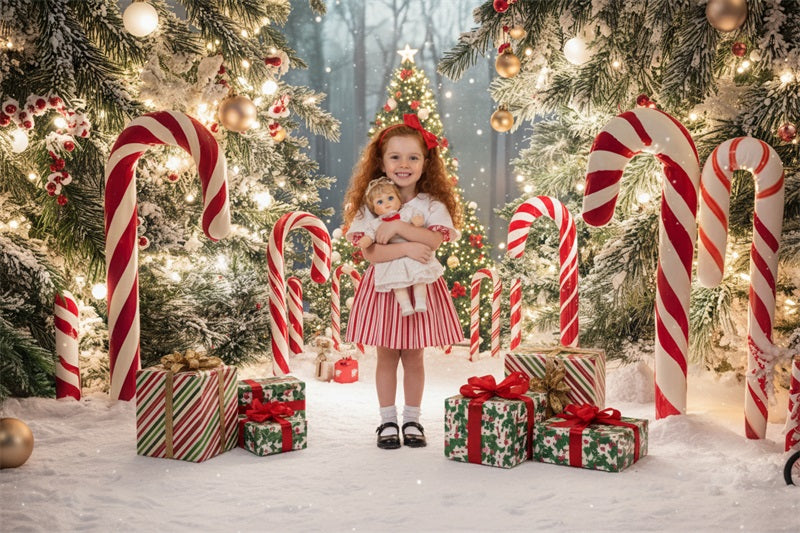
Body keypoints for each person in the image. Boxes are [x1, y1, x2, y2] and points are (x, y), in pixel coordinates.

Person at [343, 113, 464, 449]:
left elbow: (436, 242)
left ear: (426, 162)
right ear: (381, 162)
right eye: (395, 156)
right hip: (385, 289)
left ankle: (412, 419)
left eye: (413, 157)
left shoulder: (432, 204)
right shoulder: (371, 203)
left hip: (421, 286)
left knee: (414, 357)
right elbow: (371, 255)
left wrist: (396, 229)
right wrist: (411, 245)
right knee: (386, 357)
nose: (404, 164)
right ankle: (387, 422)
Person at [356, 176, 444, 316]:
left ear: (399, 199)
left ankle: (420, 301)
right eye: (380, 202)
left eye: (390, 198)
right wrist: (365, 240)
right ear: (374, 209)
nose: (387, 204)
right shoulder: (376, 223)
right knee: (396, 283)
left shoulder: (407, 212)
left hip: (414, 257)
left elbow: (419, 221)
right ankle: (405, 306)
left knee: (420, 276)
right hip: (392, 260)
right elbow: (369, 239)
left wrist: (417, 221)